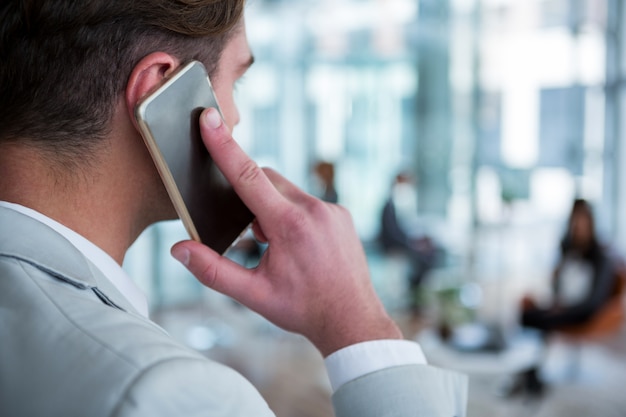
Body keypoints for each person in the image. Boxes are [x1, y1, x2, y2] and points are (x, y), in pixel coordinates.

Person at [0, 1, 467, 416]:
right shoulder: (174, 394)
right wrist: (360, 325)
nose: (236, 117)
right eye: (235, 83)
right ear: (159, 90)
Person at [510, 198, 624, 395]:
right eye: (575, 222)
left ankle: (534, 372)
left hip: (585, 312)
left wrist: (565, 308)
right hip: (562, 305)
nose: (578, 227)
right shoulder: (568, 250)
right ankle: (533, 369)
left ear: (591, 223)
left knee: (545, 318)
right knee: (527, 314)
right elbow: (558, 289)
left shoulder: (602, 257)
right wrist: (557, 278)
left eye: (582, 222)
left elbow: (594, 301)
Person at [378, 171, 440, 309]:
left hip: (400, 244)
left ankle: (417, 299)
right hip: (393, 248)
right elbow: (392, 233)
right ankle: (416, 301)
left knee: (428, 254)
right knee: (424, 258)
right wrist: (410, 244)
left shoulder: (394, 204)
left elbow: (399, 230)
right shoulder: (388, 205)